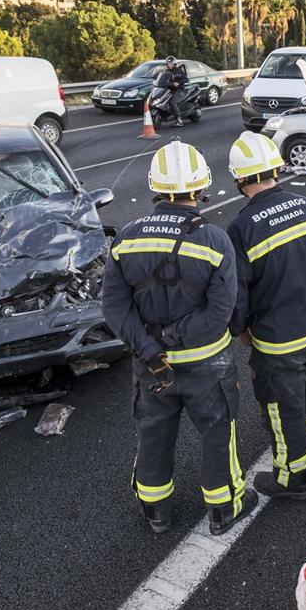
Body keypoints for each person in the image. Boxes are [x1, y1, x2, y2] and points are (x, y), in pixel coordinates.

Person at [102, 141, 255, 536]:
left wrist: (152, 347)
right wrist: (176, 336)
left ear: (155, 186)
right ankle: (224, 509)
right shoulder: (215, 240)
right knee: (218, 431)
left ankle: (156, 511)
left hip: (153, 367)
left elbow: (115, 310)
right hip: (208, 364)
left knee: (153, 432)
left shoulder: (126, 239)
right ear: (202, 187)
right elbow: (221, 313)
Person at [226, 131, 306, 501]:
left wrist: (240, 328)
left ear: (241, 179)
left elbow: (238, 293)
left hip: (279, 339)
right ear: (275, 169)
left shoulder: (242, 228)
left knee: (281, 406)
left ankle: (294, 477)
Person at [153, 56, 190, 127]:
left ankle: (179, 120)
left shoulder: (179, 71)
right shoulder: (165, 71)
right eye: (168, 63)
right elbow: (161, 80)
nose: (169, 65)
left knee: (172, 102)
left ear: (174, 63)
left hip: (179, 90)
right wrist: (157, 82)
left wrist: (179, 82)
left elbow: (186, 79)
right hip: (169, 90)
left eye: (170, 63)